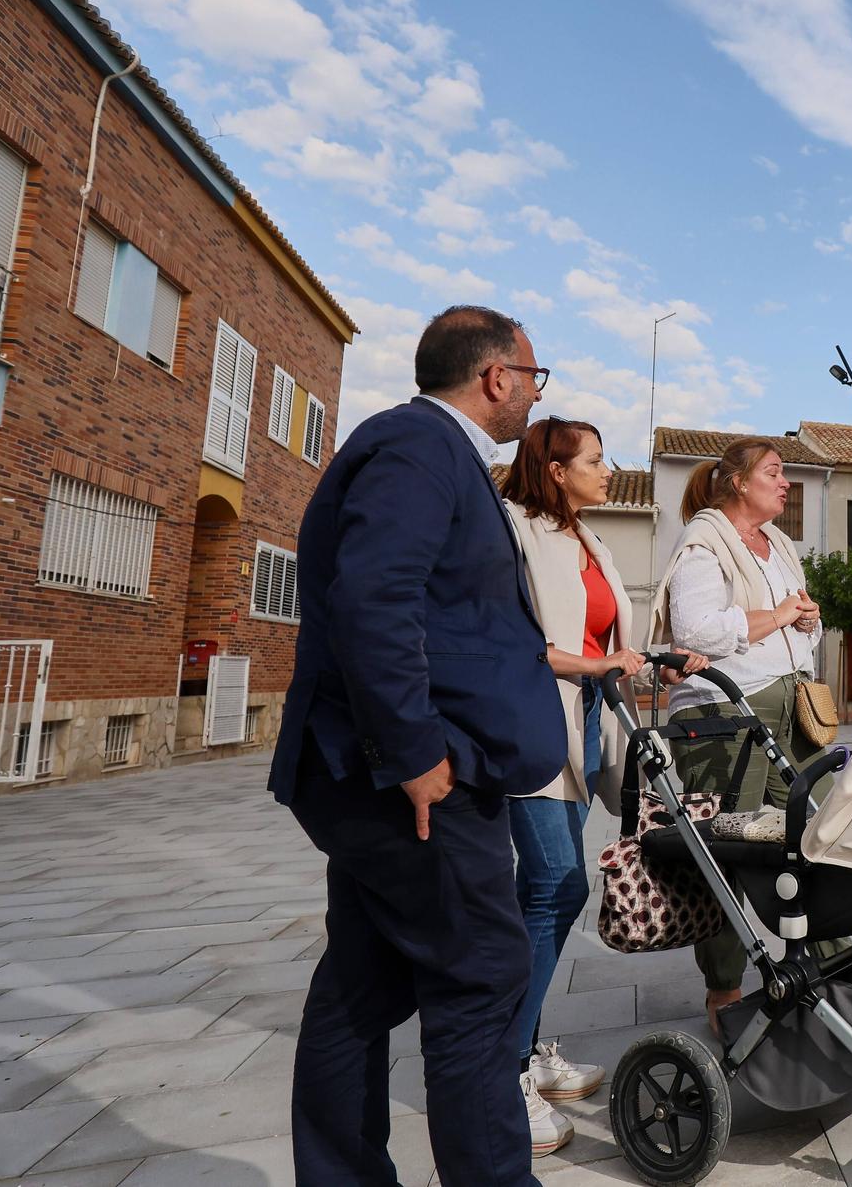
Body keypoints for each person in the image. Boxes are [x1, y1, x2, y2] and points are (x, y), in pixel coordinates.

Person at [270, 305, 562, 1184]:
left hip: (389, 774)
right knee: (481, 977)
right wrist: (413, 753)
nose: (534, 395)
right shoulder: (420, 447)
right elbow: (374, 596)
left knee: (361, 984)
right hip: (410, 781)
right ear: (496, 377)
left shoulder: (434, 456)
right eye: (533, 377)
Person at [499, 417, 707, 1149]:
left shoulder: (585, 538)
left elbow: (602, 645)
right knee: (554, 884)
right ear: (555, 470)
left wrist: (656, 658)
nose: (607, 469)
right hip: (533, 725)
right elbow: (517, 643)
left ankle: (525, 1047)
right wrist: (597, 667)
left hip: (582, 723)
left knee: (562, 888)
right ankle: (505, 1070)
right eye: (593, 459)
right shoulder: (515, 529)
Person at [650, 437, 824, 1035]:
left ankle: (828, 964)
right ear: (738, 482)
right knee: (729, 851)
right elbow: (696, 630)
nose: (785, 484)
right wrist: (778, 615)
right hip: (726, 719)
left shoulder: (778, 546)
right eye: (775, 473)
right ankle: (724, 992)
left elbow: (799, 631)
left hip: (791, 708)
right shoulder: (704, 544)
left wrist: (806, 620)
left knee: (813, 835)